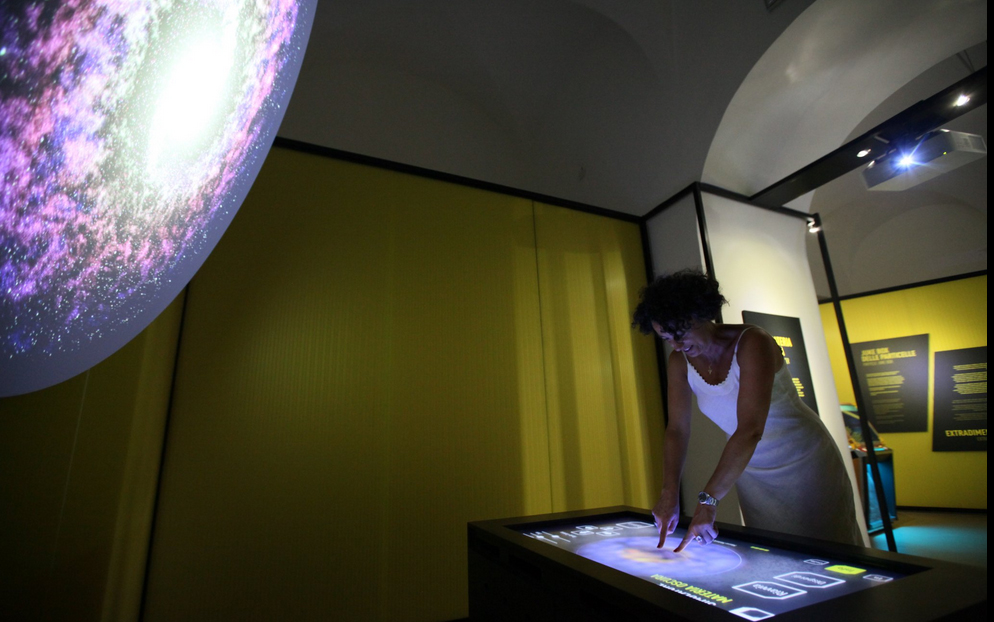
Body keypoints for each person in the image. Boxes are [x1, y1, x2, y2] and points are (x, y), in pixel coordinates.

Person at [632, 269, 862, 552]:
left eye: (680, 334)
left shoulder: (753, 342)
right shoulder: (679, 361)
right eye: (667, 338)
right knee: (771, 554)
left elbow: (750, 429)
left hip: (804, 463)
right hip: (749, 470)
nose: (677, 345)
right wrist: (669, 493)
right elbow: (677, 429)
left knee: (829, 553)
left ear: (700, 315)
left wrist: (708, 501)